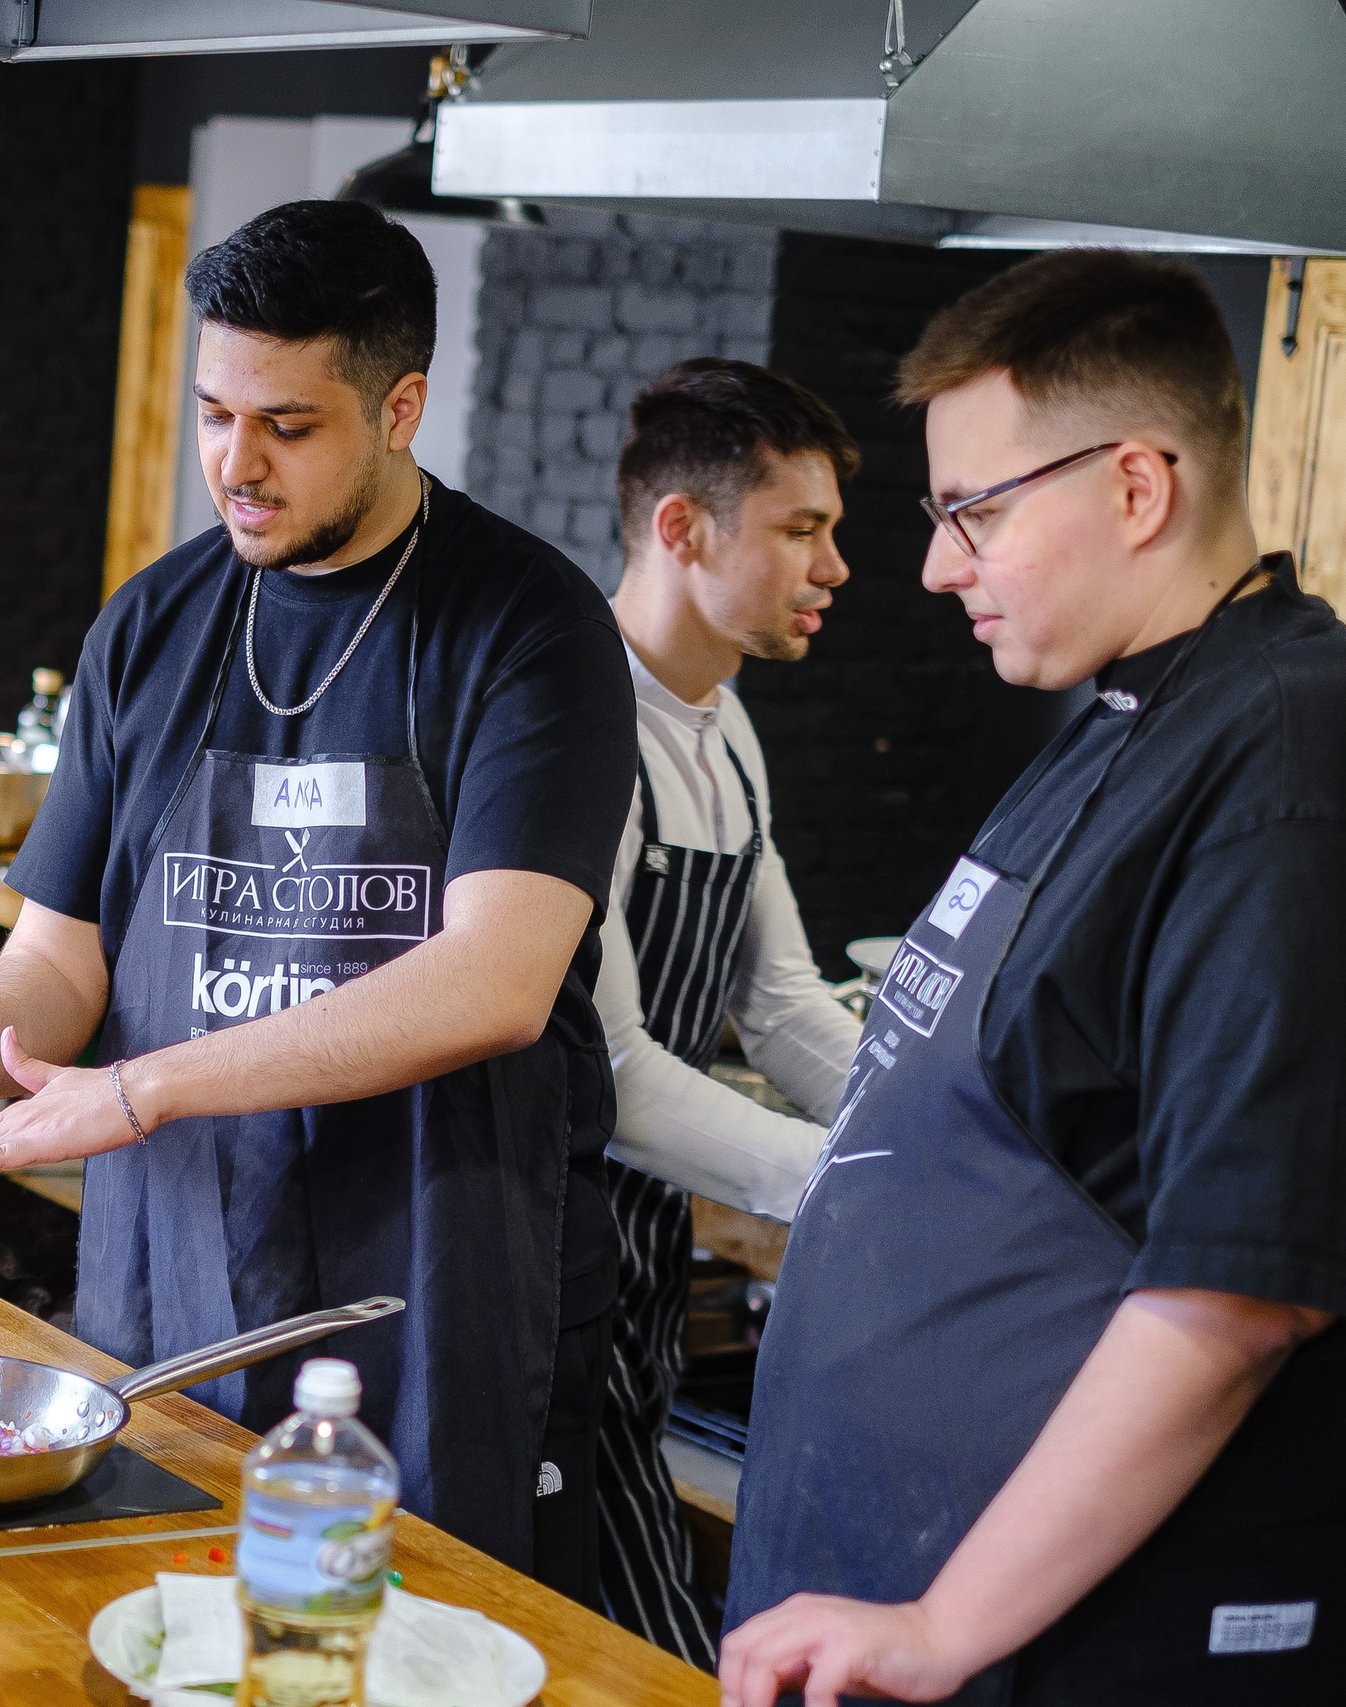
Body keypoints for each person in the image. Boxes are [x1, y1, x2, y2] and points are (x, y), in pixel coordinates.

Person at [0, 199, 638, 1598]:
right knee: (152, 1625)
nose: (236, 465)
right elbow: (60, 952)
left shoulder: (528, 624)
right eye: (213, 412)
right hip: (175, 1266)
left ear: (401, 406)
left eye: (288, 424)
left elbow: (495, 981)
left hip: (430, 1283)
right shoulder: (151, 622)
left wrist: (138, 1091)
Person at [718, 250, 1346, 1706]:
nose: (938, 564)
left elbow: (1236, 1293)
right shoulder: (1124, 716)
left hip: (1105, 1652)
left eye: (973, 513)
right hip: (918, 1609)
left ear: (1137, 486)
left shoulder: (1298, 772)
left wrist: (946, 1620)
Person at [590, 359, 862, 1667]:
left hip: (649, 1261)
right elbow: (616, 1072)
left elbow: (784, 1000)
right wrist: (860, 1184)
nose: (837, 566)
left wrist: (951, 1140)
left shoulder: (726, 722)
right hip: (543, 1261)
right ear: (682, 529)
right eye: (801, 529)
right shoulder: (577, 725)